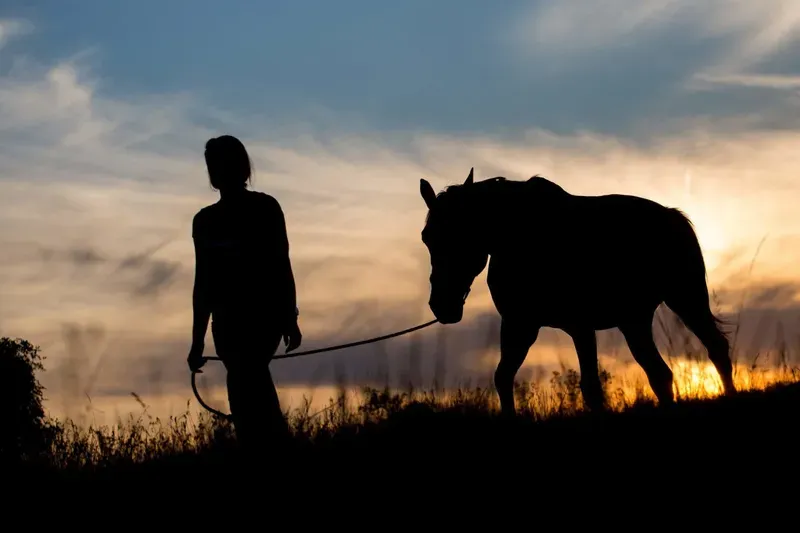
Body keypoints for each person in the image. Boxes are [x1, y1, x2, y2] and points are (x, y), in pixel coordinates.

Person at [187, 134, 302, 453]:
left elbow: (281, 265)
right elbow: (204, 284)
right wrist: (197, 341)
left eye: (218, 164)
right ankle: (271, 447)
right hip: (230, 324)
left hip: (259, 320)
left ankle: (265, 448)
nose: (215, 171)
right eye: (212, 165)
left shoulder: (264, 209)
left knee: (244, 380)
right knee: (245, 382)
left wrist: (289, 317)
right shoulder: (206, 221)